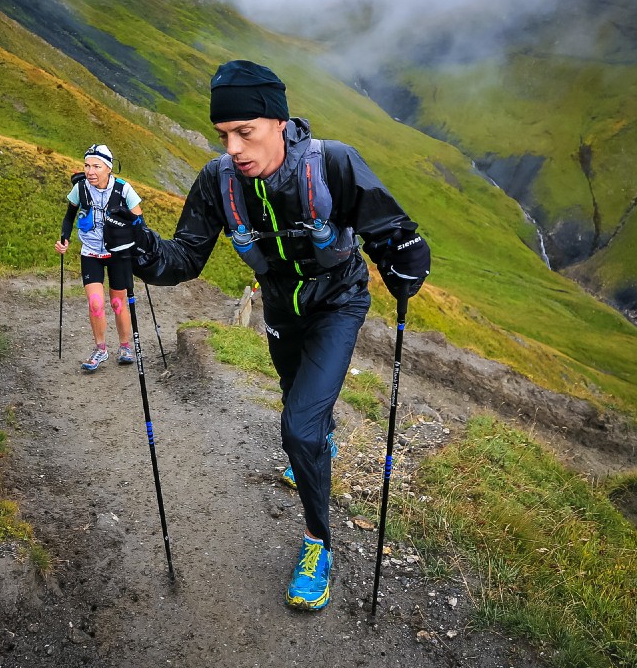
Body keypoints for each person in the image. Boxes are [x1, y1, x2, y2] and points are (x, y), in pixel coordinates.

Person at [129, 60, 430, 611]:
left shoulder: (332, 163)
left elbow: (390, 229)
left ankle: (319, 543)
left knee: (298, 424)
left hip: (338, 300)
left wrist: (406, 258)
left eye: (246, 131)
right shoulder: (217, 181)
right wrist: (140, 247)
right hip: (279, 308)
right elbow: (183, 260)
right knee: (300, 405)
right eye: (224, 134)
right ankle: (317, 440)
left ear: (279, 120)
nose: (235, 147)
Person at [55, 144, 145, 372]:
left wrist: (139, 245)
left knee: (117, 303)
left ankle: (125, 347)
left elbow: (140, 225)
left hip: (118, 254)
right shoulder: (81, 188)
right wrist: (64, 239)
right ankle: (100, 349)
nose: (90, 171)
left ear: (108, 168)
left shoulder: (124, 190)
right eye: (87, 165)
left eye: (96, 166)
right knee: (95, 304)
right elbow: (69, 217)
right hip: (91, 253)